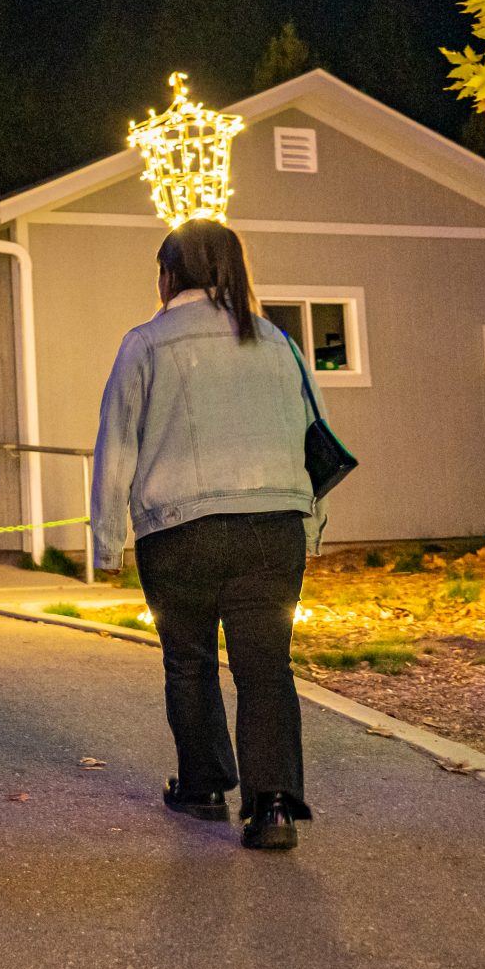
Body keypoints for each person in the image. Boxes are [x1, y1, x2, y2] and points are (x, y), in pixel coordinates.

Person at [92, 218, 323, 851]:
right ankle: (273, 804)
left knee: (189, 662)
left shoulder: (145, 343)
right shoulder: (276, 340)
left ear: (169, 276)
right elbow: (313, 434)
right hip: (274, 525)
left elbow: (116, 443)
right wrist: (313, 522)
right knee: (265, 666)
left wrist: (107, 538)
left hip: (180, 531)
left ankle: (202, 784)